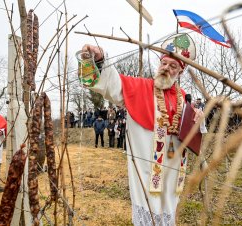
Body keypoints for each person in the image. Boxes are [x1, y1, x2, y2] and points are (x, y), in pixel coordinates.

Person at [77, 33, 199, 225]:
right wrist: (99, 59)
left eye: (173, 66)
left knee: (169, 212)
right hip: (146, 170)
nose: (166, 68)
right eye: (164, 63)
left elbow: (194, 134)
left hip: (174, 171)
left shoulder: (184, 98)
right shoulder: (141, 87)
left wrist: (197, 121)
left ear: (180, 72)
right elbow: (112, 84)